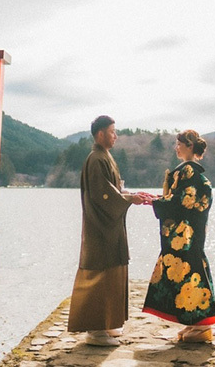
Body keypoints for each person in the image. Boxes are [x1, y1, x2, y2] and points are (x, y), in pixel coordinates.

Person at [67, 115, 152, 346]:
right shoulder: (96, 159)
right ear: (100, 134)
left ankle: (107, 324)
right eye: (113, 131)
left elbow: (114, 190)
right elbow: (104, 195)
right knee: (100, 276)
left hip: (109, 226)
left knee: (113, 274)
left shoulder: (105, 157)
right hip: (100, 228)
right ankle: (95, 331)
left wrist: (129, 195)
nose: (116, 136)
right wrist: (128, 199)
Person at [142, 129, 215, 342]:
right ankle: (195, 324)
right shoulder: (192, 172)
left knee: (189, 272)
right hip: (191, 232)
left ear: (190, 146)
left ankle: (202, 327)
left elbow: (180, 202)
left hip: (185, 235)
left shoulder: (187, 172)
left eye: (179, 143)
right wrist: (158, 199)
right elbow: (180, 199)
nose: (176, 147)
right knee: (191, 271)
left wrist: (155, 202)